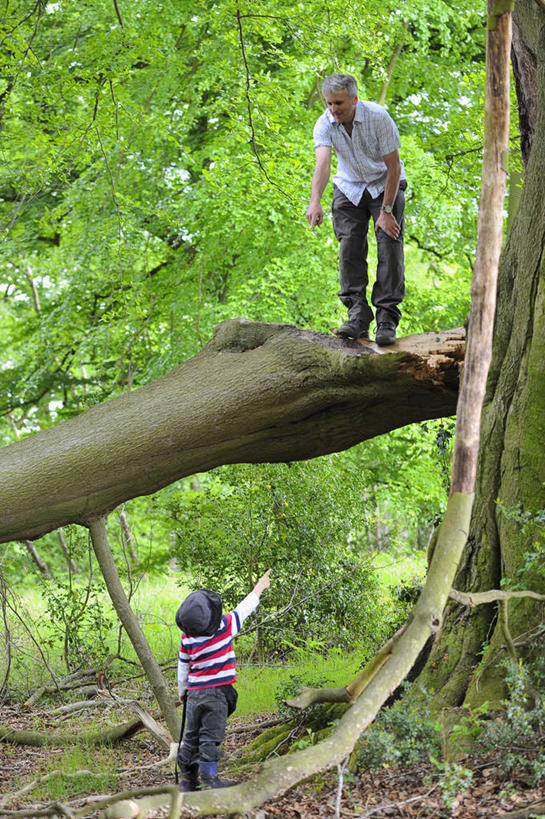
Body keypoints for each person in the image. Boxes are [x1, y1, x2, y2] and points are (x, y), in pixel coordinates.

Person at [306, 73, 407, 345]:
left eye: (338, 103)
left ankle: (386, 318)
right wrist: (315, 201)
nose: (333, 109)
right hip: (349, 187)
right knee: (349, 247)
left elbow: (394, 166)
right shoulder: (324, 124)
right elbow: (323, 165)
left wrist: (386, 211)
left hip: (384, 184)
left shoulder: (378, 117)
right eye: (329, 103)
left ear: (354, 98)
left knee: (389, 245)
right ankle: (358, 316)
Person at [175, 568, 272, 791]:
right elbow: (244, 609)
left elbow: (183, 667)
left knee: (191, 736)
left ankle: (187, 781)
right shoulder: (224, 626)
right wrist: (259, 587)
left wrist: (182, 692)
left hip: (194, 694)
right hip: (217, 693)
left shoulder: (186, 637)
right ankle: (209, 778)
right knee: (210, 735)